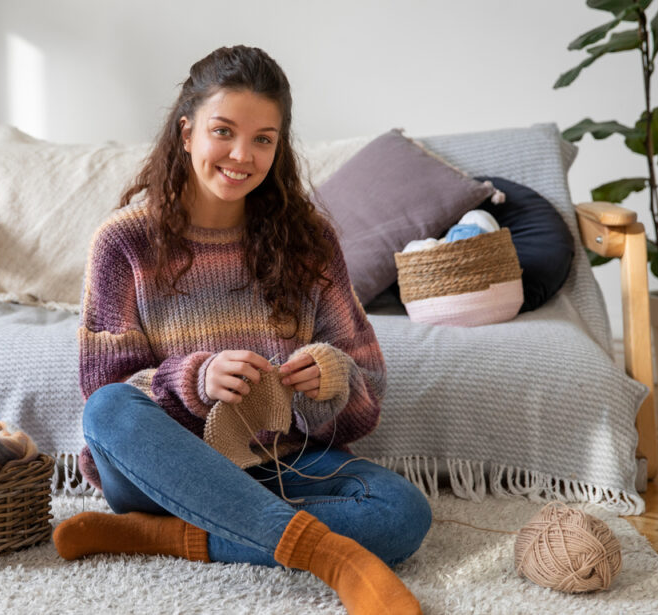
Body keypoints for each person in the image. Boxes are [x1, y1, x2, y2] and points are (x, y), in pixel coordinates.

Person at [52, 45, 431, 615]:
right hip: (160, 473)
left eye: (263, 139)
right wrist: (196, 378)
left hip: (280, 460)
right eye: (223, 131)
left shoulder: (310, 242)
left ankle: (162, 535)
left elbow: (367, 393)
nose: (241, 154)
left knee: (403, 512)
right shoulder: (124, 242)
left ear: (278, 148)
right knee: (106, 410)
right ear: (186, 132)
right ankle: (332, 557)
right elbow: (109, 394)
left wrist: (331, 377)